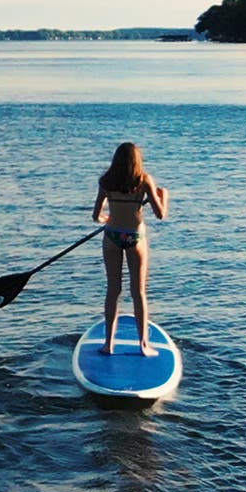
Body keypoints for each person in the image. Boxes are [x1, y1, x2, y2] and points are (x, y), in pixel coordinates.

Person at [92, 141, 169, 356]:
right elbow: (160, 214)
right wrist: (164, 196)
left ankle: (108, 344)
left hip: (112, 236)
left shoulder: (105, 182)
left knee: (113, 290)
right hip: (135, 237)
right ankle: (143, 345)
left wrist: (107, 217)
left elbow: (96, 216)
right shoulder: (144, 181)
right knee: (138, 292)